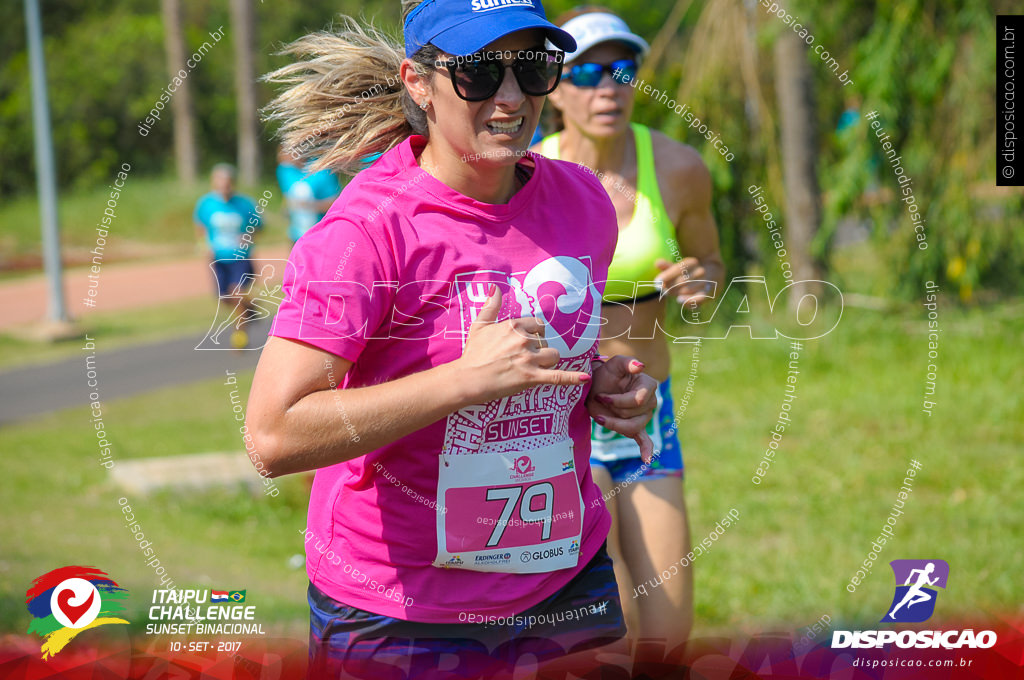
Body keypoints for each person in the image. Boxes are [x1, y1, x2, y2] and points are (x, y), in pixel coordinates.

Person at [249, 0, 662, 676]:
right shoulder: (367, 233)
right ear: (419, 82)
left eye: (532, 68)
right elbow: (272, 435)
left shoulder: (582, 201)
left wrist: (605, 389)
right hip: (404, 609)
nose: (510, 96)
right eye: (477, 73)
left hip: (566, 577)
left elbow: (549, 360)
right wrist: (462, 382)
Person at [532, 7, 726, 649]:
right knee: (595, 633)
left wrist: (701, 282)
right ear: (555, 88)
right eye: (585, 72)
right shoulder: (526, 173)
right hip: (558, 416)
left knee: (669, 630)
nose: (606, 86)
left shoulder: (677, 168)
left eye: (620, 69)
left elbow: (713, 263)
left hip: (648, 413)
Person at [193, 163, 263, 348]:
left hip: (240, 258)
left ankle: (240, 336)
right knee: (223, 298)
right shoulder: (206, 204)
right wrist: (203, 245)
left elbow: (258, 226)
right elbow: (200, 226)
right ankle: (250, 308)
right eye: (220, 181)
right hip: (218, 259)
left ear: (233, 183)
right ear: (214, 182)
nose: (224, 185)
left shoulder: (244, 203)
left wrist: (247, 236)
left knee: (237, 293)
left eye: (228, 181)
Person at [275, 144, 343, 245]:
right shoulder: (284, 171)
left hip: (321, 235)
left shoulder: (322, 170)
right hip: (297, 235)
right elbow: (289, 196)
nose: (281, 157)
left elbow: (337, 204)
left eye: (286, 153)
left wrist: (310, 206)